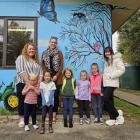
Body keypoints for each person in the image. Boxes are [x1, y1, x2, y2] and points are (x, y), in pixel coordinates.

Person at [15, 42, 43, 127]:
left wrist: (38, 85)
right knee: (22, 100)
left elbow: (41, 74)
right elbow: (21, 71)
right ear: (26, 50)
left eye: (33, 49)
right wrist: (28, 84)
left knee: (32, 102)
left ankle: (31, 118)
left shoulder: (37, 62)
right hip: (22, 83)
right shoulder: (21, 58)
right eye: (30, 49)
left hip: (34, 86)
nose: (32, 50)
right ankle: (22, 119)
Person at [41, 36, 63, 122]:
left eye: (55, 42)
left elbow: (61, 66)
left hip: (57, 77)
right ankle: (47, 114)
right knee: (47, 96)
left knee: (55, 96)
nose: (53, 43)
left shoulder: (59, 53)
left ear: (56, 44)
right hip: (47, 77)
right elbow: (42, 64)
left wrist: (56, 75)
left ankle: (54, 114)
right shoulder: (44, 53)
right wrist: (47, 75)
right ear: (49, 42)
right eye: (52, 42)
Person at [103, 47, 125, 126]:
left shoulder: (117, 59)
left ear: (111, 52)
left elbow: (122, 70)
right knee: (110, 100)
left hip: (112, 82)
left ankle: (118, 115)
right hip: (106, 83)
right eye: (105, 52)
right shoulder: (106, 61)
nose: (107, 53)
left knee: (105, 99)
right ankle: (112, 118)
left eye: (108, 52)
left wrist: (111, 76)